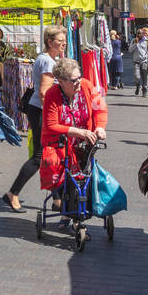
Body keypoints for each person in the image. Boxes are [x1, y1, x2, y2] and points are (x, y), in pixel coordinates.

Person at [3, 25, 65, 212]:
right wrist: (52, 118)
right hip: (42, 111)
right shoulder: (47, 61)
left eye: (64, 40)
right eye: (60, 40)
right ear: (49, 41)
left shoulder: (48, 59)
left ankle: (57, 200)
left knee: (51, 154)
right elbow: (44, 92)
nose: (63, 43)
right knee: (39, 157)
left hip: (38, 110)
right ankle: (12, 193)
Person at [40, 57, 108, 215]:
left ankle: (77, 213)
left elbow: (100, 108)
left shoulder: (86, 86)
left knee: (83, 178)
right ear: (61, 81)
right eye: (74, 80)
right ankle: (69, 211)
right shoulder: (52, 94)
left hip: (84, 145)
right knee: (66, 180)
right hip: (61, 144)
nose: (79, 82)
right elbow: (51, 124)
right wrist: (78, 132)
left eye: (79, 77)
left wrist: (99, 127)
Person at [131, 27, 148, 97]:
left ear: (143, 34)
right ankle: (138, 86)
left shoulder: (147, 41)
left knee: (145, 77)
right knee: (137, 76)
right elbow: (130, 50)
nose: (140, 34)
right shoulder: (133, 40)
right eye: (138, 33)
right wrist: (135, 44)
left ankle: (144, 91)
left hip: (144, 61)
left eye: (141, 33)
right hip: (136, 62)